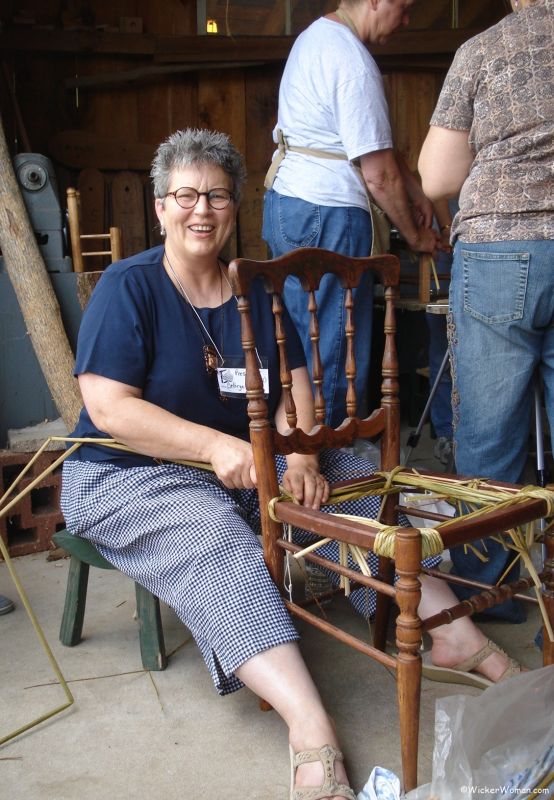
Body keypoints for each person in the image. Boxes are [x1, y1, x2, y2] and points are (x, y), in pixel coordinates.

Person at [61, 128, 523, 800]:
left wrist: (302, 449)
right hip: (132, 469)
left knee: (358, 487)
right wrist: (221, 448)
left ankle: (454, 637)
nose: (201, 210)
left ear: (236, 205)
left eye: (217, 195)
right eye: (185, 195)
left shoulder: (257, 288)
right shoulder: (130, 288)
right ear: (160, 207)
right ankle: (311, 728)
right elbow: (109, 407)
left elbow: (294, 391)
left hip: (253, 461)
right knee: (215, 538)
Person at [418, 0, 554, 622]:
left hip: (502, 247)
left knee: (489, 436)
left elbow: (437, 177)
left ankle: (490, 591)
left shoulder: (485, 50)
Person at [262, 0, 441, 428]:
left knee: (298, 337)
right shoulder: (353, 60)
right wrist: (416, 239)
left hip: (290, 202)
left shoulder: (315, 39)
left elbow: (368, 149)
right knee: (332, 343)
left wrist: (414, 189)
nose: (407, 18)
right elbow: (378, 176)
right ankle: (330, 453)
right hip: (328, 213)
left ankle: (296, 446)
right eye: (404, 7)